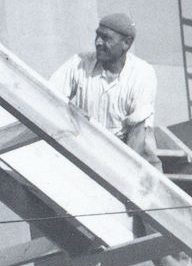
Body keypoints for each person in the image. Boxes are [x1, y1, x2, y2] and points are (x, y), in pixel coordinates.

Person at [51, 12, 159, 164]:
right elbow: (49, 97)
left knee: (147, 157)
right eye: (97, 36)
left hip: (126, 146)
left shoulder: (142, 73)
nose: (98, 42)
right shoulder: (79, 63)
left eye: (106, 38)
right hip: (86, 140)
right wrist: (71, 111)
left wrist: (125, 173)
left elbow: (137, 135)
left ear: (126, 43)